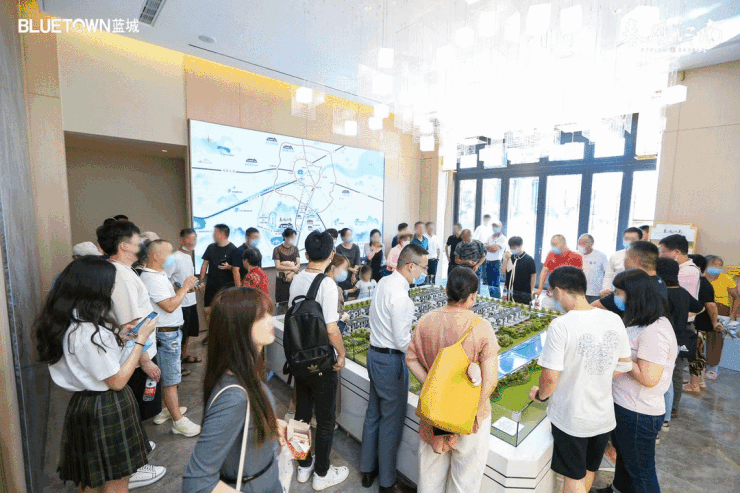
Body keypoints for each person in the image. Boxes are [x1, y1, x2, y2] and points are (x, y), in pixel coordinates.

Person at [36, 257, 161, 492]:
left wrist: (120, 337)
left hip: (84, 405)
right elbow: (117, 381)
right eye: (109, 285)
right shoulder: (88, 332)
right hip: (106, 407)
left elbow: (95, 361)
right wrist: (141, 340)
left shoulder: (69, 321)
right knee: (117, 480)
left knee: (90, 478)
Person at [529, 266, 632, 493]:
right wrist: (596, 376)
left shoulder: (561, 325)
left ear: (558, 290)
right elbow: (625, 364)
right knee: (588, 469)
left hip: (572, 418)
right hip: (603, 416)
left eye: (551, 292)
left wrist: (540, 395)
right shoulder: (613, 319)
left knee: (573, 478)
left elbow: (550, 379)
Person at [182, 287, 287, 493]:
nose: (270, 321)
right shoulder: (234, 397)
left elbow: (245, 417)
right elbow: (196, 483)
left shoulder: (246, 372)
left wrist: (270, 423)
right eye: (261, 316)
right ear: (238, 327)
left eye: (269, 313)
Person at [406, 266, 499, 493]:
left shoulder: (426, 321)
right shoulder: (482, 327)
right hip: (470, 418)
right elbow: (490, 381)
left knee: (430, 477)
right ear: (473, 296)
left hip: (434, 413)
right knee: (464, 482)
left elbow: (411, 359)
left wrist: (433, 386)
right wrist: (467, 406)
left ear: (446, 290)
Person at [597, 269, 677, 493]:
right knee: (625, 460)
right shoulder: (639, 321)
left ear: (635, 295)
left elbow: (649, 378)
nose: (615, 296)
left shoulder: (656, 330)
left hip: (638, 412)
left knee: (641, 472)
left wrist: (621, 355)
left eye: (618, 292)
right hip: (625, 404)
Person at [360, 244, 428, 493]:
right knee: (391, 422)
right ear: (410, 266)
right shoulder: (402, 298)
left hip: (374, 354)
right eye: (423, 267)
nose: (424, 272)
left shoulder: (383, 283)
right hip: (390, 362)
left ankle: (367, 469)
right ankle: (387, 482)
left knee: (373, 414)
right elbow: (402, 342)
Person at [289, 231, 349, 489]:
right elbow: (332, 328)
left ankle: (303, 466)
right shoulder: (327, 285)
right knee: (325, 420)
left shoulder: (296, 279)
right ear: (332, 255)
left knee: (301, 415)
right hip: (322, 362)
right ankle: (322, 474)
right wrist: (341, 354)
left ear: (305, 254)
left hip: (298, 358)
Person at [97, 221, 162, 424]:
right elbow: (131, 325)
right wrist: (145, 360)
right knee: (137, 412)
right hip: (134, 359)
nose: (142, 244)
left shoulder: (123, 270)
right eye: (137, 240)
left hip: (136, 354)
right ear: (124, 245)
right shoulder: (121, 276)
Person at [140, 240, 202, 437]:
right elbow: (169, 306)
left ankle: (166, 409)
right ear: (156, 256)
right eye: (168, 253)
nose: (172, 257)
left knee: (168, 377)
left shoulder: (159, 275)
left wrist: (182, 290)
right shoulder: (151, 278)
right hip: (166, 335)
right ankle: (178, 421)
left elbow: (167, 298)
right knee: (171, 380)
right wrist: (184, 288)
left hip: (169, 332)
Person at [655, 258, 704, 424]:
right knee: (676, 375)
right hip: (679, 339)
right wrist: (685, 315)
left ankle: (662, 411)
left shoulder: (662, 293)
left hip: (662, 339)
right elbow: (700, 308)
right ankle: (673, 409)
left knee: (660, 376)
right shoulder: (682, 292)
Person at [592, 241, 668, 315]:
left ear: (635, 259)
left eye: (626, 257)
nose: (624, 261)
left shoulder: (633, 283)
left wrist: (613, 295)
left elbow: (593, 306)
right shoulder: (660, 282)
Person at [683, 254, 722, 396]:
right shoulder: (703, 282)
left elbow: (711, 306)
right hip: (702, 324)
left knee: (696, 354)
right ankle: (700, 382)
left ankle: (694, 385)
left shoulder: (702, 283)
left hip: (700, 323)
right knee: (699, 353)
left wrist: (715, 323)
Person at [165, 228, 203, 366]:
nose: (192, 242)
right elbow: (164, 278)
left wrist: (196, 285)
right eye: (189, 239)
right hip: (180, 304)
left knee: (188, 333)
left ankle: (184, 356)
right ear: (181, 240)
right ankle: (177, 364)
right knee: (180, 335)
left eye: (194, 239)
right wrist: (178, 289)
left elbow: (186, 278)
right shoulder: (174, 257)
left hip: (191, 301)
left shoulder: (188, 256)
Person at [704, 255, 738, 380]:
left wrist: (732, 314)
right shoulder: (702, 278)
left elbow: (736, 297)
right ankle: (697, 364)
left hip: (721, 310)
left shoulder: (725, 278)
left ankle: (713, 368)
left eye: (720, 265)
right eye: (714, 264)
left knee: (717, 339)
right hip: (703, 308)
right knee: (699, 337)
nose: (717, 267)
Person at [199, 224, 237, 322]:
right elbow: (204, 264)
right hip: (211, 285)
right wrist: (201, 281)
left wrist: (229, 266)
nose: (213, 235)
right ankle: (210, 330)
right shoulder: (211, 247)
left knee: (225, 312)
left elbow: (237, 269)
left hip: (226, 287)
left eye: (215, 232)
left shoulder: (233, 249)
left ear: (222, 234)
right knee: (207, 310)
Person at [534, 235, 583, 310]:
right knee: (544, 312)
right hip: (551, 295)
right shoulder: (551, 254)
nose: (553, 247)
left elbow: (577, 279)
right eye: (552, 245)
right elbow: (544, 271)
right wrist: (540, 288)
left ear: (564, 244)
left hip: (566, 298)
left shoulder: (576, 257)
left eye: (555, 245)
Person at [601, 227, 644, 297]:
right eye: (626, 239)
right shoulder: (616, 255)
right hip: (617, 293)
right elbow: (609, 275)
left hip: (638, 294)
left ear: (640, 240)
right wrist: (606, 289)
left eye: (633, 239)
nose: (629, 241)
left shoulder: (645, 256)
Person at [501, 236, 536, 304]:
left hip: (523, 292)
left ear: (521, 246)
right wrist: (505, 259)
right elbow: (502, 271)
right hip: (509, 290)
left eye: (515, 247)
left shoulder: (529, 259)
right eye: (511, 248)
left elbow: (533, 276)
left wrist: (531, 291)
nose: (513, 249)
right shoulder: (510, 257)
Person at [577, 234, 609, 303]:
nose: (581, 245)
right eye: (580, 243)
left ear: (591, 243)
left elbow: (608, 273)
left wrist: (605, 288)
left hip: (595, 292)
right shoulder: (576, 255)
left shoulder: (601, 255)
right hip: (579, 292)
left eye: (584, 242)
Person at [273, 228, 300, 304]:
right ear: (285, 237)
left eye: (294, 237)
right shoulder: (277, 249)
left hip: (294, 278)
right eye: (292, 237)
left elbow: (298, 264)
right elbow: (278, 266)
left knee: (294, 301)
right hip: (282, 279)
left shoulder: (295, 249)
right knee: (282, 302)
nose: (293, 239)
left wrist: (291, 274)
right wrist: (293, 268)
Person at [325, 255, 351, 333]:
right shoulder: (336, 289)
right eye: (344, 269)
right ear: (333, 268)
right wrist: (344, 318)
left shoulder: (318, 282)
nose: (345, 273)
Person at [483, 220, 507, 298]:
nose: (494, 228)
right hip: (488, 262)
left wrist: (488, 247)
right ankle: (492, 299)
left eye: (496, 226)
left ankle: (497, 300)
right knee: (489, 284)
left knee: (495, 284)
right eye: (493, 226)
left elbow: (495, 249)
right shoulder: (490, 237)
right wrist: (489, 247)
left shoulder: (502, 238)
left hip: (496, 263)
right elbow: (484, 246)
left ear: (501, 227)